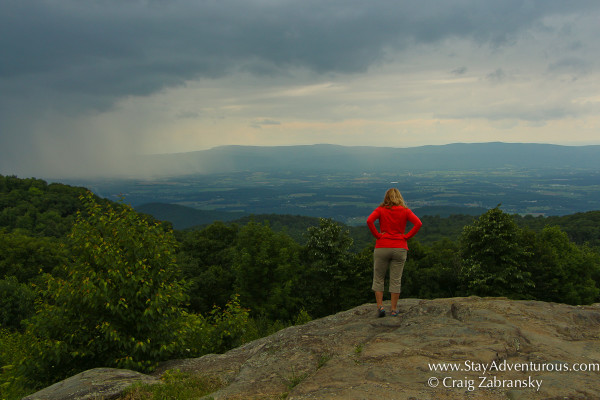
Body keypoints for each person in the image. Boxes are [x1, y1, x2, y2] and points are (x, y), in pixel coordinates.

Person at [367, 188, 422, 317]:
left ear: (386, 198)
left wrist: (378, 235)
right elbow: (418, 223)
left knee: (379, 277)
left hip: (382, 246)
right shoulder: (405, 211)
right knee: (396, 279)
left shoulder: (380, 210)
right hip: (400, 247)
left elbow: (369, 221)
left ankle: (380, 307)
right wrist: (406, 237)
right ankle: (393, 309)